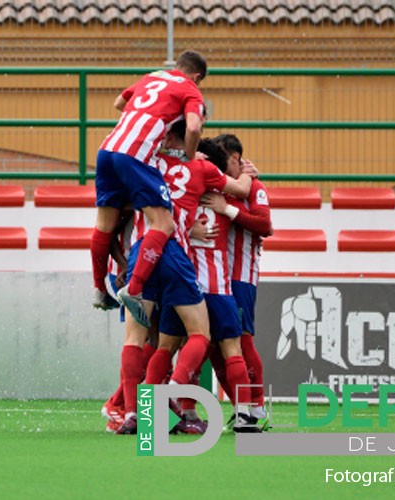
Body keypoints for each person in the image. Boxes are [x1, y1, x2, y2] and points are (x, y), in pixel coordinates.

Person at [115, 126, 253, 435]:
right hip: (179, 258)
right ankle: (192, 400)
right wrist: (248, 174)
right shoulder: (201, 168)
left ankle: (133, 414)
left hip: (143, 249)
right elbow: (243, 193)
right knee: (203, 336)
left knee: (138, 340)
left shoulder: (146, 162)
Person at [91, 51, 207, 328]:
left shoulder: (152, 76)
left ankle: (98, 289)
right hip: (135, 154)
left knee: (104, 224)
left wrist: (144, 116)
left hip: (107, 148)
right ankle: (133, 289)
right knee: (163, 223)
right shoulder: (190, 89)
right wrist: (189, 157)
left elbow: (119, 102)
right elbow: (193, 127)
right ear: (197, 76)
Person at [202, 133, 273, 425]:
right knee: (214, 345)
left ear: (236, 158)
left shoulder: (253, 186)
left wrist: (227, 209)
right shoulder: (223, 185)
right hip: (214, 277)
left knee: (241, 342)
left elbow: (265, 225)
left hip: (241, 277)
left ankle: (256, 409)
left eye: (224, 158)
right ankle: (241, 407)